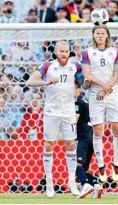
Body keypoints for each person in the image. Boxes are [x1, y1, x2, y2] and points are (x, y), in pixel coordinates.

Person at [26, 41, 82, 198]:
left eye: (66, 51)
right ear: (56, 52)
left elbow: (83, 80)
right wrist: (46, 82)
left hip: (69, 112)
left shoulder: (75, 66)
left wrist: (82, 85)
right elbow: (30, 81)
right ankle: (49, 182)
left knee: (70, 144)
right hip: (51, 112)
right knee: (49, 145)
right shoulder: (47, 66)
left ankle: (72, 181)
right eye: (61, 51)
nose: (64, 53)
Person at [81, 25, 118, 184]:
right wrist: (102, 86)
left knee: (117, 128)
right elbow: (87, 74)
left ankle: (116, 163)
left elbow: (117, 73)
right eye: (97, 33)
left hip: (111, 93)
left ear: (107, 35)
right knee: (98, 129)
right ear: (93, 35)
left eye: (102, 33)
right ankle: (101, 165)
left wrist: (106, 89)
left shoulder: (115, 52)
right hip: (95, 94)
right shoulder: (87, 52)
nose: (100, 35)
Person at [74, 81, 103, 199]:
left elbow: (74, 120)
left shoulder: (78, 103)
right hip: (90, 138)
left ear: (78, 90)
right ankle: (96, 185)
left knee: (76, 166)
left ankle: (86, 185)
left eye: (72, 89)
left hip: (84, 138)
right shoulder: (85, 102)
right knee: (82, 169)